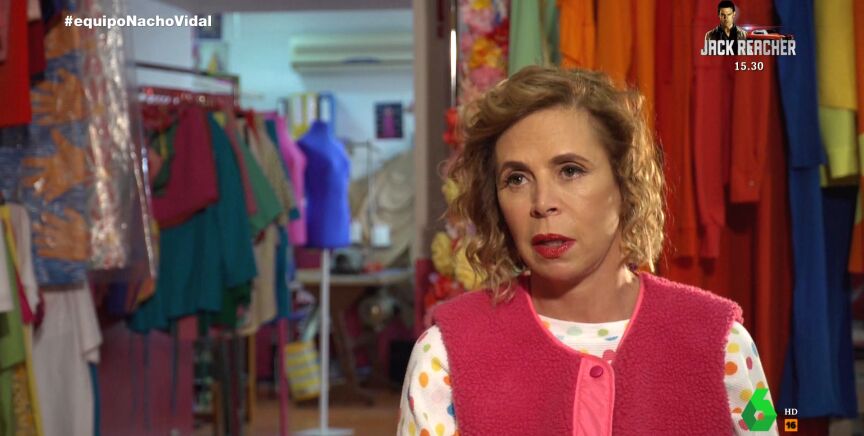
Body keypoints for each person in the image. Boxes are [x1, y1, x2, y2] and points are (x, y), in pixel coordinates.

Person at [398, 66, 778, 435]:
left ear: (624, 182)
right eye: (516, 179)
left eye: (570, 170)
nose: (542, 203)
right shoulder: (444, 354)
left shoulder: (725, 344)